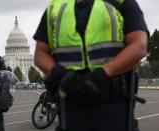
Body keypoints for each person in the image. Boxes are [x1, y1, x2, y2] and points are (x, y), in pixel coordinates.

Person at [33, 0, 149, 131]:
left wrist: (103, 74)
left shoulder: (123, 2)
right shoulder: (55, 7)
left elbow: (139, 46)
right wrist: (59, 73)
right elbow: (40, 53)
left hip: (114, 108)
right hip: (71, 107)